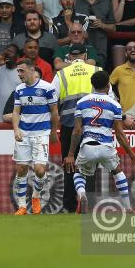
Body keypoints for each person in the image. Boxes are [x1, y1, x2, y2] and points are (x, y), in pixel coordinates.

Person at [64, 70, 135, 213]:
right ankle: (128, 207)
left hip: (88, 145)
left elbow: (76, 130)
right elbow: (119, 133)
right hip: (106, 146)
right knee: (118, 171)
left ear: (92, 85)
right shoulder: (115, 105)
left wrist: (70, 154)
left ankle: (82, 194)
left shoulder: (81, 103)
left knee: (79, 172)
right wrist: (132, 155)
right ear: (108, 86)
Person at [52, 43, 103, 213]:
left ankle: (69, 206)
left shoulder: (61, 74)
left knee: (69, 164)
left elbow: (52, 100)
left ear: (69, 58)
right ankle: (89, 200)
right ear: (85, 56)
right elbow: (110, 98)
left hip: (69, 125)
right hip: (93, 126)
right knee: (91, 165)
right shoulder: (97, 71)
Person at [12, 58, 59, 215]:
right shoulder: (19, 89)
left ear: (32, 70)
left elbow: (54, 111)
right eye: (18, 71)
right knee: (21, 168)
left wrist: (53, 132)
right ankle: (22, 206)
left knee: (39, 170)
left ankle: (36, 196)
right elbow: (16, 112)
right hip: (24, 133)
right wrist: (16, 129)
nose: (19, 74)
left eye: (22, 70)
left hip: (41, 133)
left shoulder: (47, 88)